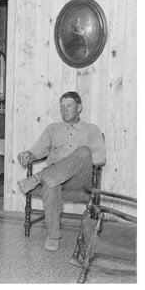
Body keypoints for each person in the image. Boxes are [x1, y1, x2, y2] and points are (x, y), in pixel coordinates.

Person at [16, 91, 106, 251]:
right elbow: (37, 150)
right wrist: (27, 154)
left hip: (80, 180)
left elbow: (99, 159)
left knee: (84, 151)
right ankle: (52, 236)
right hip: (54, 177)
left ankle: (37, 177)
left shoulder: (92, 130)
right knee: (51, 184)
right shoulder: (53, 129)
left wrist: (73, 161)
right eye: (62, 106)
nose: (64, 109)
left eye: (69, 106)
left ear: (79, 107)